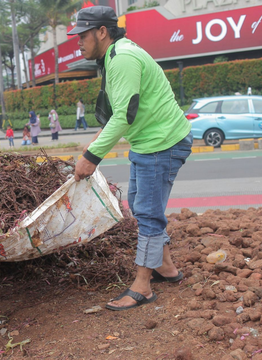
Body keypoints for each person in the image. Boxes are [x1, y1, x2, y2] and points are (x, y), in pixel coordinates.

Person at [69, 6, 193, 311]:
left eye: (83, 35)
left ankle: (143, 286)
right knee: (140, 204)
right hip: (150, 141)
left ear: (102, 32)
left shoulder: (122, 58)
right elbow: (121, 110)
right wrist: (96, 140)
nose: (78, 42)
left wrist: (91, 158)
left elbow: (125, 114)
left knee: (149, 213)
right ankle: (166, 268)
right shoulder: (115, 55)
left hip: (161, 142)